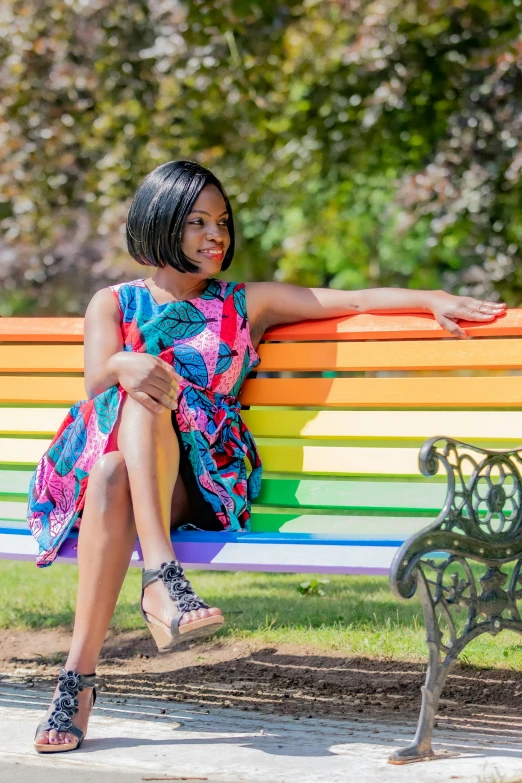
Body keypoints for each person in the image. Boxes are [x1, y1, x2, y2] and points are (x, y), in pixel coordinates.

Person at [29, 160, 505, 753]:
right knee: (113, 458)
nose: (216, 236)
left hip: (202, 478)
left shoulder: (245, 302)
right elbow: (96, 381)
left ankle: (120, 628)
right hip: (119, 470)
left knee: (145, 403)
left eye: (223, 222)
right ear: (160, 222)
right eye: (198, 222)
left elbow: (350, 297)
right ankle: (144, 599)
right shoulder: (113, 303)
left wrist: (429, 297)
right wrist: (126, 364)